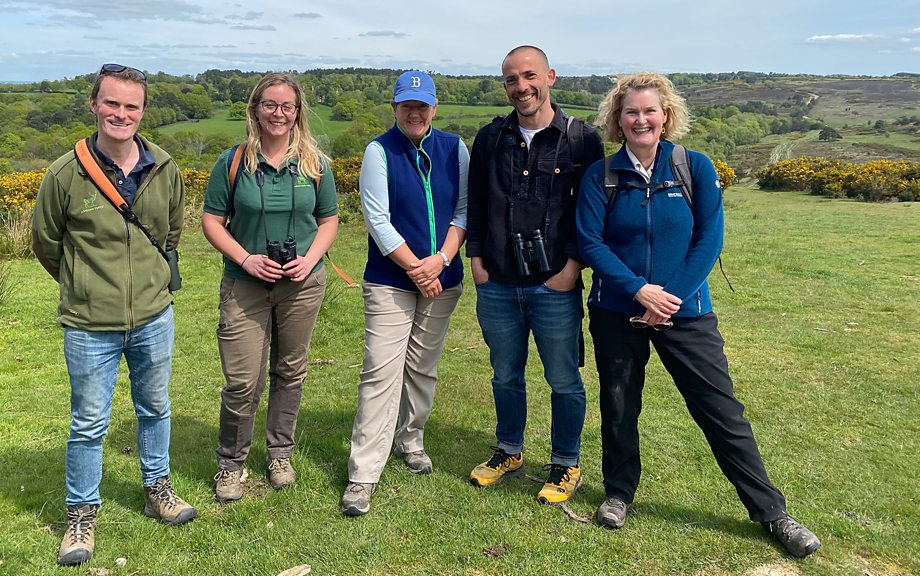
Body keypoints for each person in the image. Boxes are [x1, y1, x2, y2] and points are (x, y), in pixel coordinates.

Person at [575, 72, 821, 558]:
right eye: (630, 112)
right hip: (617, 311)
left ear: (665, 115)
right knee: (619, 406)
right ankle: (619, 494)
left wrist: (668, 297)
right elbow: (590, 242)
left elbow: (709, 239)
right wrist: (639, 290)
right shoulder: (600, 175)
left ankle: (772, 512)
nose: (640, 119)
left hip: (685, 313)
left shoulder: (695, 167)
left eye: (649, 110)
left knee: (720, 410)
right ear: (617, 119)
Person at [32, 63, 195, 567]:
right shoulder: (65, 174)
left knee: (156, 407)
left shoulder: (164, 168)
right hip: (88, 324)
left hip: (153, 316)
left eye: (131, 106)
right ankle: (81, 514)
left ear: (143, 111)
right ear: (94, 104)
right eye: (111, 103)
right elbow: (47, 244)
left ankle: (157, 489)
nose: (121, 114)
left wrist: (148, 281)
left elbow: (170, 233)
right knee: (88, 423)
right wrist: (85, 285)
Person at [466, 46, 604, 505]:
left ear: (550, 77)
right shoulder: (491, 138)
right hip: (497, 282)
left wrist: (572, 268)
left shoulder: (582, 140)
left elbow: (591, 212)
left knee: (563, 379)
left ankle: (566, 462)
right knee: (505, 375)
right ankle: (509, 450)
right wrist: (476, 260)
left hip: (554, 284)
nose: (521, 87)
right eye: (511, 79)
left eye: (529, 76)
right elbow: (477, 202)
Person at [201, 72, 338, 503]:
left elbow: (329, 220)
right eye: (270, 105)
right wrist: (245, 258)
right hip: (245, 284)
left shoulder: (314, 163)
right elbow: (212, 221)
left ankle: (280, 454)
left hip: (301, 284)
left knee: (290, 370)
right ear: (255, 109)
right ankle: (231, 463)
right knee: (243, 380)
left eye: (287, 106)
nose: (279, 113)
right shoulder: (233, 162)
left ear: (297, 113)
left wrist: (309, 259)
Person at [340, 71, 469, 516]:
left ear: (434, 108)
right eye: (406, 105)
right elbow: (377, 220)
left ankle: (411, 440)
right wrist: (418, 268)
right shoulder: (379, 151)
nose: (415, 113)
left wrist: (442, 261)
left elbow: (463, 210)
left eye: (422, 105)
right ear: (395, 108)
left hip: (442, 278)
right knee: (380, 372)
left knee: (422, 368)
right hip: (391, 280)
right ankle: (363, 474)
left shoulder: (454, 148)